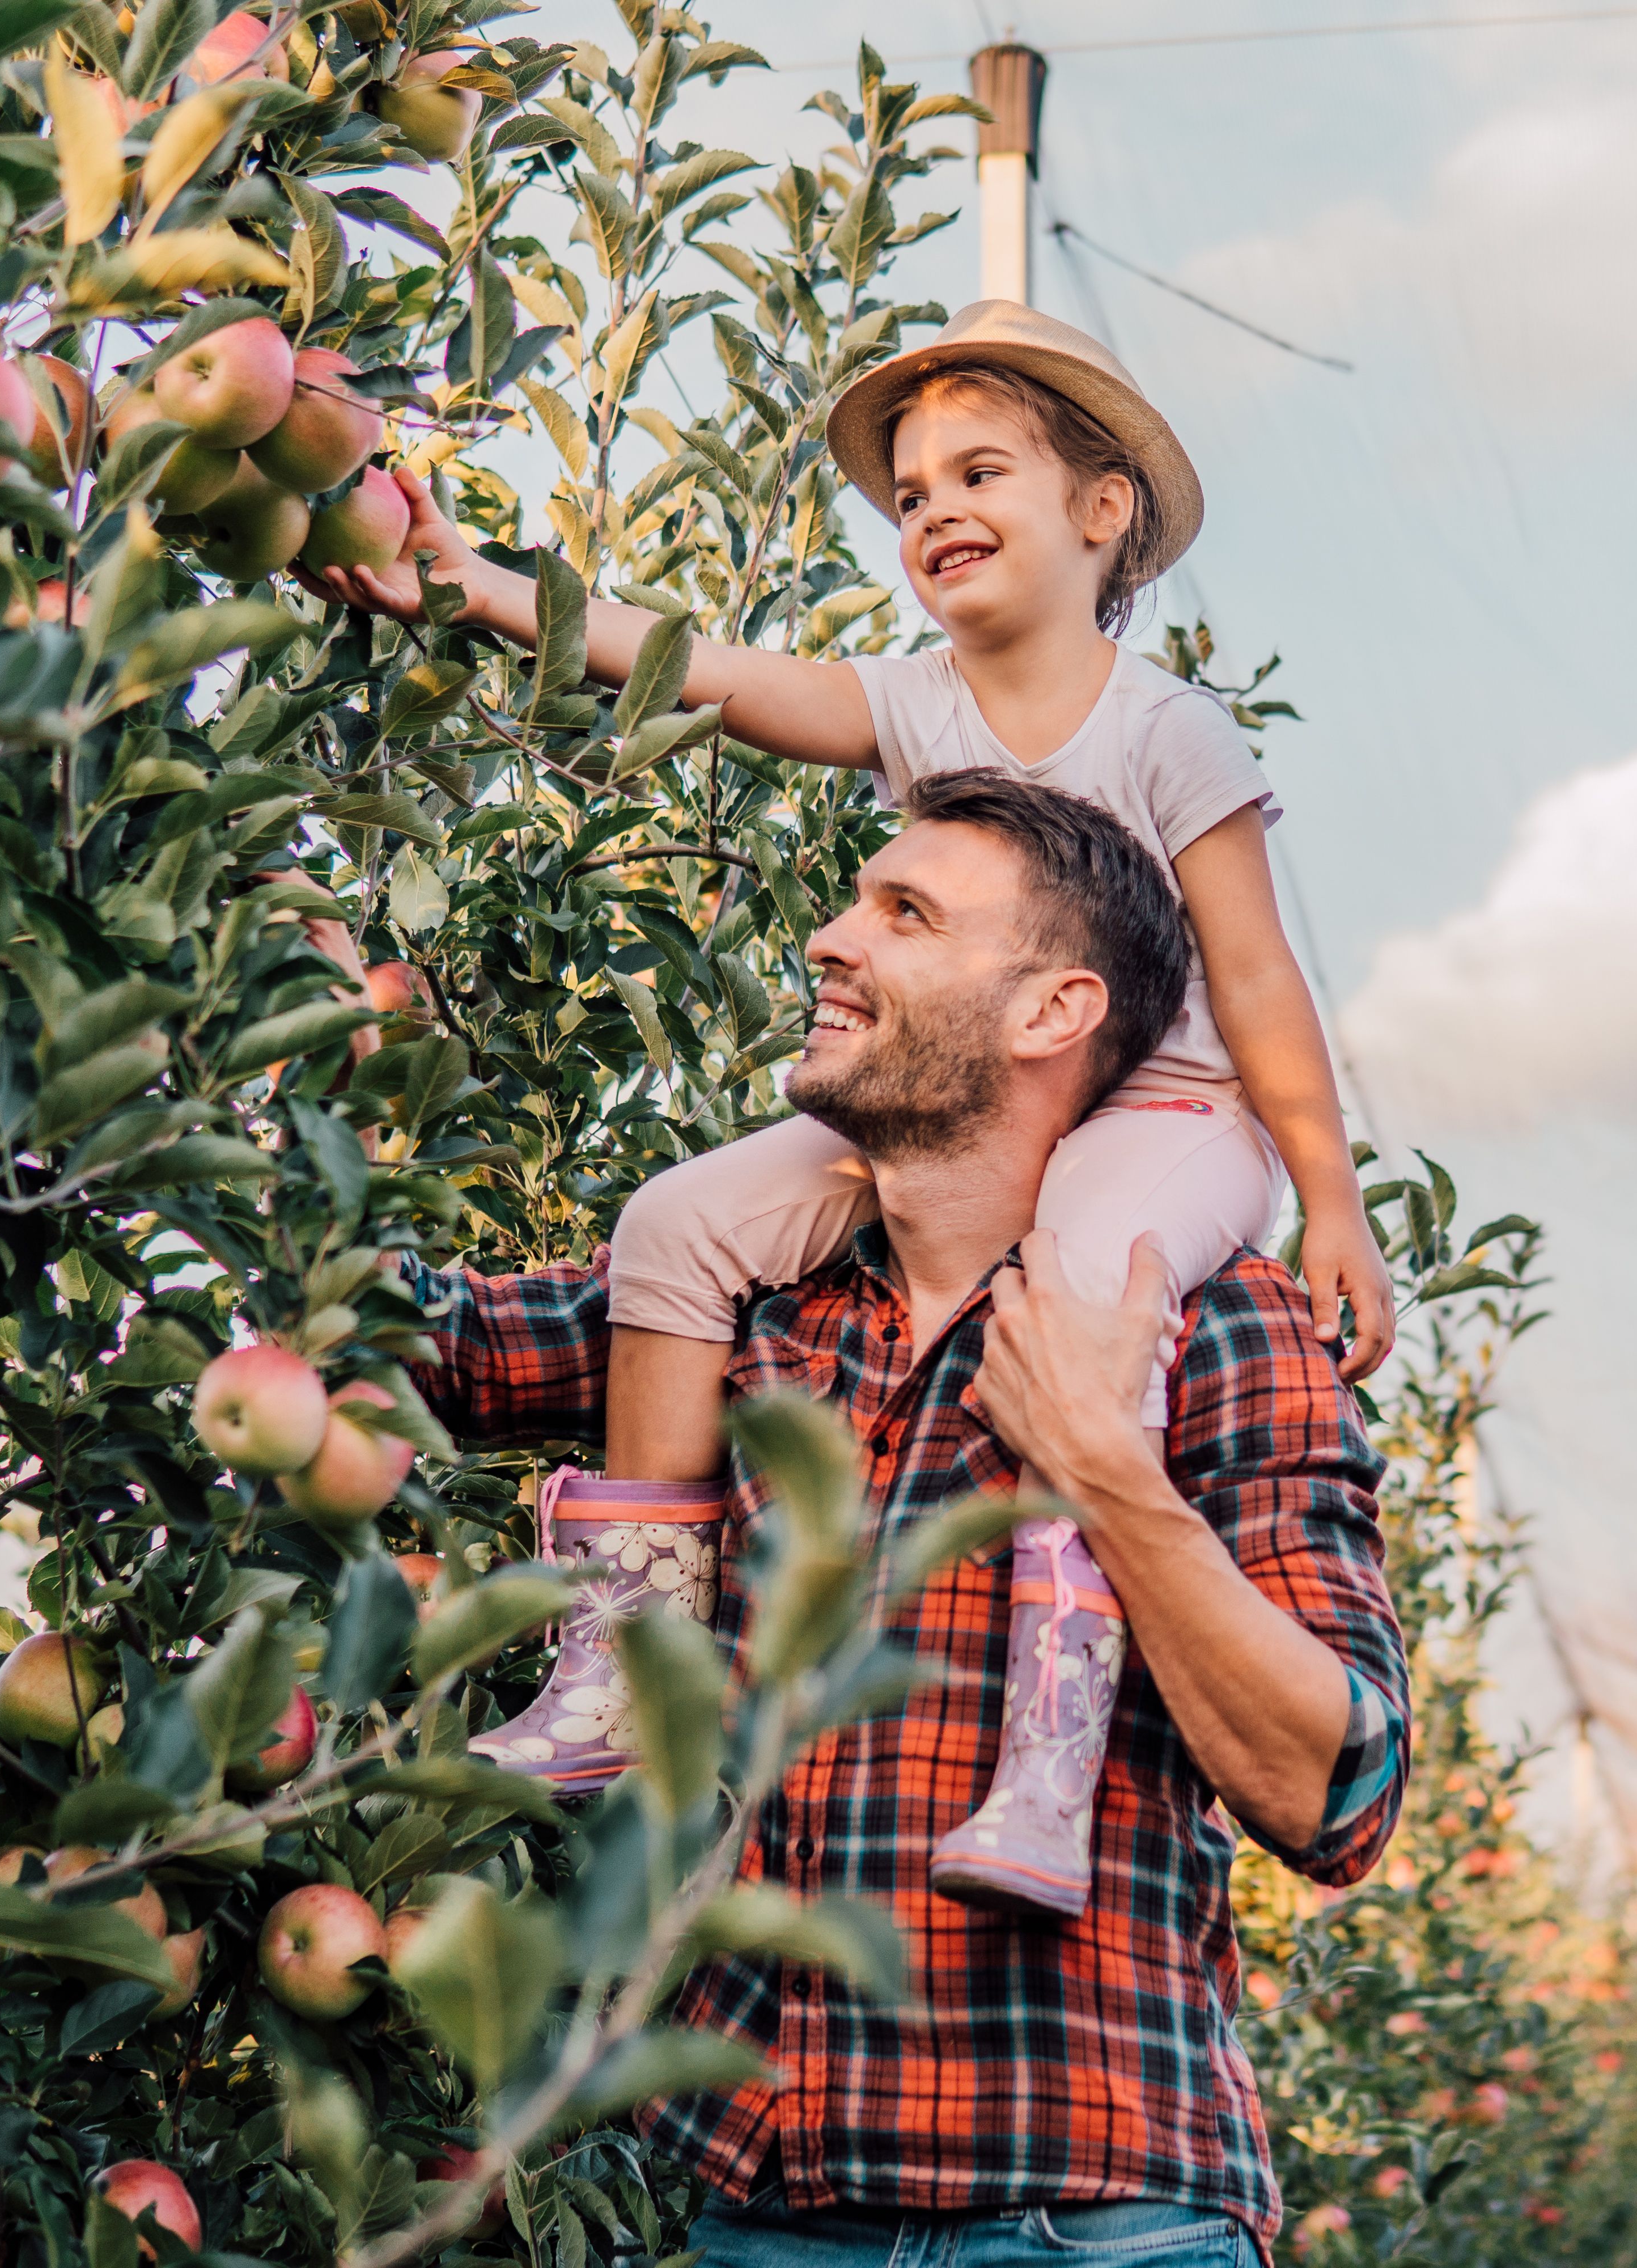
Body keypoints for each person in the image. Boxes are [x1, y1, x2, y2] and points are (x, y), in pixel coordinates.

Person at [306, 306, 1393, 1898]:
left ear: (1102, 515)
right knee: (676, 1226)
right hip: (982, 1104)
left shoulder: (1167, 730)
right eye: (908, 492)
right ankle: (624, 1659)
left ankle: (1047, 1760)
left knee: (1086, 1296)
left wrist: (1332, 1197)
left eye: (979, 470)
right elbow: (708, 673)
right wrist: (475, 590)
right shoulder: (914, 704)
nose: (934, 507)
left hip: (1168, 1119)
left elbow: (1259, 976)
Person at [399, 769, 1409, 2266]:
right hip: (771, 2218)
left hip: (1099, 2220)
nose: (828, 937)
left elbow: (1340, 1794)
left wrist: (1111, 1478)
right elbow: (425, 1344)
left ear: (1052, 1013)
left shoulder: (1210, 1321)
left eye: (905, 914)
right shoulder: (751, 1317)